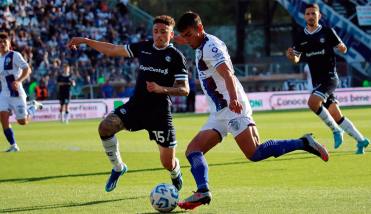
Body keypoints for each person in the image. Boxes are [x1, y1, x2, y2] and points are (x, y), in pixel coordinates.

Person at [175, 11, 329, 210]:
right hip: (219, 112)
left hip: (232, 106)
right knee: (193, 150)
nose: (186, 39)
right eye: (184, 36)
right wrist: (172, 38)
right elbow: (185, 39)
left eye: (189, 35)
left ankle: (304, 142)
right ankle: (203, 191)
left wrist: (232, 99)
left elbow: (228, 75)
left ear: (200, 29)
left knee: (255, 152)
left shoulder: (210, 48)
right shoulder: (200, 42)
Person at [67, 15, 189, 192]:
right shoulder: (144, 47)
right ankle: (118, 167)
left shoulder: (176, 57)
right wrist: (85, 41)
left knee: (167, 162)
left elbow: (184, 89)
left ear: (171, 35)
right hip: (136, 107)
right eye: (156, 31)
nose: (159, 35)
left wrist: (161, 89)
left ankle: (175, 172)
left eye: (164, 32)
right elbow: (113, 50)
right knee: (105, 127)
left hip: (159, 113)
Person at [286, 3, 369, 154]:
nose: (311, 16)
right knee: (336, 115)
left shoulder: (327, 31)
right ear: (305, 17)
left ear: (319, 16)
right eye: (308, 14)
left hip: (330, 78)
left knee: (312, 102)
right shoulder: (300, 36)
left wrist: (342, 48)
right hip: (318, 82)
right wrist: (292, 56)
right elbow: (296, 59)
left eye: (313, 13)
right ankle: (361, 141)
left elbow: (342, 47)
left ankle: (336, 132)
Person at [0, 32, 42, 152]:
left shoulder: (14, 55)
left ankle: (33, 107)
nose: (2, 44)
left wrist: (18, 81)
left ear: (9, 43)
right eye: (0, 42)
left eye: (4, 41)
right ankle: (14, 145)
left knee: (22, 122)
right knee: (3, 118)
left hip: (17, 93)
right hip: (4, 93)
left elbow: (27, 69)